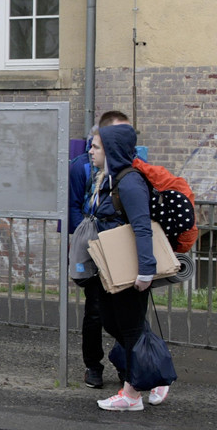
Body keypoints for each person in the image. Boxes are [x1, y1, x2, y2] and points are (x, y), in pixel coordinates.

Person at [90, 122, 168, 411]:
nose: (90, 151)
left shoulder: (130, 182)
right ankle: (155, 371)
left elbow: (142, 228)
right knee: (112, 321)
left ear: (111, 150)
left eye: (96, 146)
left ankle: (132, 395)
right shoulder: (108, 180)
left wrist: (146, 270)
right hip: (113, 268)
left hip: (131, 269)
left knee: (133, 328)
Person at [68, 110, 130, 389]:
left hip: (121, 251)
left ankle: (126, 365)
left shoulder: (131, 166)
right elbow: (71, 208)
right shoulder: (82, 166)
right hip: (95, 251)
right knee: (94, 311)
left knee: (124, 312)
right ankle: (93, 365)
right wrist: (89, 243)